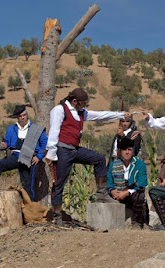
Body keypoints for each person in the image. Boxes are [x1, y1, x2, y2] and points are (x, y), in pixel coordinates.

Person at [45, 88, 131, 223]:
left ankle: (101, 193)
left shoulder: (80, 112)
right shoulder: (60, 110)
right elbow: (54, 131)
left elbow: (99, 115)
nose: (84, 106)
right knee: (59, 182)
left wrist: (119, 115)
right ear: (74, 101)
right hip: (62, 150)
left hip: (74, 149)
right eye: (83, 103)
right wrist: (51, 153)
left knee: (99, 159)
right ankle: (57, 216)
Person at [0, 105, 48, 201]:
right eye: (20, 116)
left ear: (27, 115)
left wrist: (39, 157)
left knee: (27, 184)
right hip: (15, 156)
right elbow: (6, 143)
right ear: (17, 117)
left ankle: (29, 208)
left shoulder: (36, 129)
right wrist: (3, 146)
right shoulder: (11, 129)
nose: (23, 117)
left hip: (29, 158)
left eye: (24, 115)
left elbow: (45, 145)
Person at [107, 137, 148, 229]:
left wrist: (126, 192)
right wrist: (112, 190)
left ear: (133, 151)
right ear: (120, 151)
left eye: (129, 149)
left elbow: (142, 183)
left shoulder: (140, 165)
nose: (127, 152)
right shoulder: (113, 165)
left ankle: (136, 222)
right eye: (124, 150)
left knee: (139, 195)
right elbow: (109, 181)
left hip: (131, 195)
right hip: (117, 193)